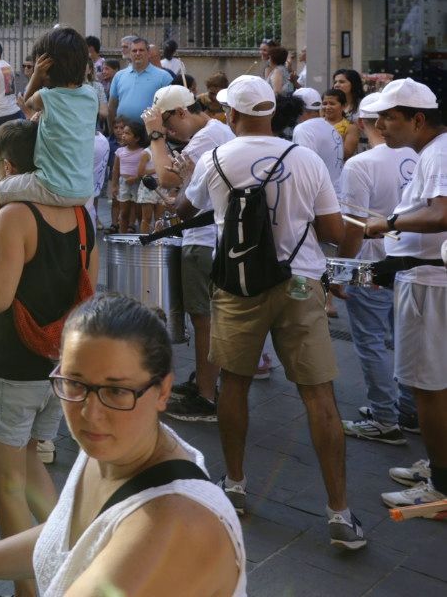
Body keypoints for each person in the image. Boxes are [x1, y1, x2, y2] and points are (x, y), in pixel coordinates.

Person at [0, 294, 245, 597]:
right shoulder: (115, 448)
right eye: (74, 384)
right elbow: (70, 539)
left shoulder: (173, 525)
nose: (90, 414)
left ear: (164, 391)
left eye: (116, 390)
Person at [174, 75, 366, 547]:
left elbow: (184, 209)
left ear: (234, 116)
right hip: (300, 284)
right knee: (319, 395)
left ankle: (236, 486)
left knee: (233, 383)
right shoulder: (306, 160)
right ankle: (340, 513)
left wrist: (187, 180)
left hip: (238, 286)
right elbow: (333, 230)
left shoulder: (216, 157)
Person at [0, 112, 98, 597]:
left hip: (10, 366)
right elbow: (89, 288)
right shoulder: (81, 214)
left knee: (7, 486)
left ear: (11, 165)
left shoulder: (17, 214)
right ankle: (72, 555)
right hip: (57, 365)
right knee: (33, 466)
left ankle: (29, 590)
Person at [361, 78, 447, 514]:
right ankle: (438, 465)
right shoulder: (433, 151)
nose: (380, 125)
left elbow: (442, 213)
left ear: (417, 119)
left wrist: (389, 224)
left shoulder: (440, 152)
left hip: (430, 284)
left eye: (388, 117)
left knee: (427, 385)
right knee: (432, 383)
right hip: (426, 279)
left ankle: (441, 487)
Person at [144, 84, 235, 423]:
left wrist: (154, 137)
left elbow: (167, 176)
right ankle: (206, 380)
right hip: (209, 233)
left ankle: (206, 397)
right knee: (207, 317)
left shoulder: (206, 138)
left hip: (204, 237)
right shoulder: (216, 131)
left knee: (204, 319)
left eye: (169, 125)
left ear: (183, 112)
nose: (168, 133)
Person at [337, 93, 419, 445]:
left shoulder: (360, 164)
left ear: (361, 123)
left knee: (371, 342)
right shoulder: (421, 155)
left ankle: (386, 416)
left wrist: (342, 270)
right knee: (403, 340)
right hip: (413, 260)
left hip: (373, 261)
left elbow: (354, 226)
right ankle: (410, 409)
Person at [0, 29, 97, 211]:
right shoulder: (91, 94)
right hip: (84, 188)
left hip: (51, 185)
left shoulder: (46, 97)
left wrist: (36, 76)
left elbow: (26, 101)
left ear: (47, 67)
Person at [105, 38, 169, 125]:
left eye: (141, 50)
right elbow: (112, 106)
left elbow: (170, 108)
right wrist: (112, 132)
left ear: (148, 53)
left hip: (151, 133)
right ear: (130, 53)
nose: (137, 53)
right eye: (134, 51)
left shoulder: (164, 77)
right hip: (123, 132)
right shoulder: (119, 76)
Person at [293, 85, 346, 187]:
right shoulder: (331, 128)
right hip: (334, 194)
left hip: (320, 196)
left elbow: (305, 171)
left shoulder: (303, 129)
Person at [108, 117, 153, 235]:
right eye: (123, 133)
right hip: (124, 183)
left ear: (137, 138)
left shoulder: (143, 152)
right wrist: (114, 185)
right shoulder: (120, 152)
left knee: (139, 212)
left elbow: (145, 170)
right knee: (124, 212)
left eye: (127, 133)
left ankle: (140, 235)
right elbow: (116, 170)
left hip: (138, 183)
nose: (123, 135)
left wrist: (136, 178)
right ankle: (123, 236)